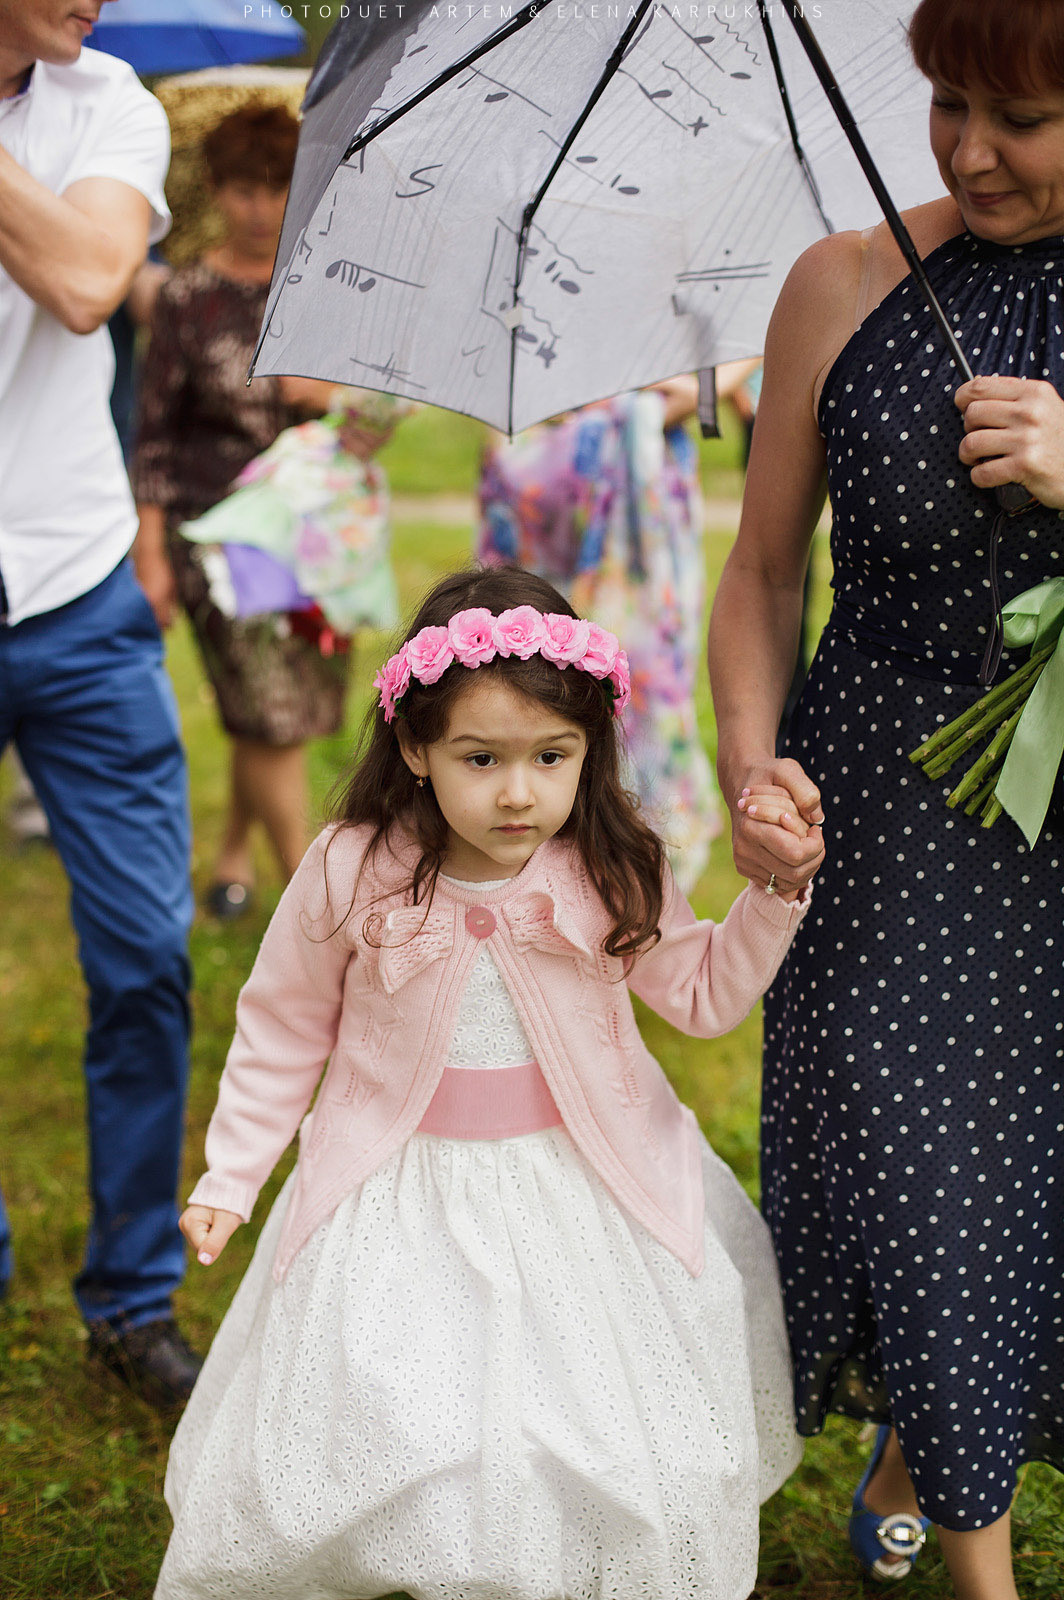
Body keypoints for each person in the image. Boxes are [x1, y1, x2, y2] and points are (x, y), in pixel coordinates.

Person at [154, 565, 810, 1600]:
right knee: (414, 1407)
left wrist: (773, 892)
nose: (518, 790)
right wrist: (231, 1177)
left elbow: (697, 994)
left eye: (551, 756)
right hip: (400, 1187)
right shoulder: (349, 867)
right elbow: (282, 1027)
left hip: (578, 1186)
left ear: (588, 747)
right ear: (414, 748)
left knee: (581, 1409)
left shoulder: (608, 862)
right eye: (481, 757)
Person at [707, 1, 1064, 1595]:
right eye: (944, 106)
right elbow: (760, 571)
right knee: (916, 1159)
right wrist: (743, 763)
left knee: (1021, 1167)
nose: (970, 152)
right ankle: (982, 1576)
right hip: (881, 801)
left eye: (1021, 121)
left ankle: (925, 1445)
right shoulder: (841, 283)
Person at [0, 0, 200, 1402]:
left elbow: (84, 280)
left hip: (77, 596)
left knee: (144, 957)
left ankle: (134, 1295)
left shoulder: (115, 102)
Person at [133, 104, 379, 919]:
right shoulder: (185, 297)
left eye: (276, 187)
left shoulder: (326, 290)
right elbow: (153, 434)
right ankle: (314, 907)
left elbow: (375, 429)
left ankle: (233, 855)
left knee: (281, 716)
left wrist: (335, 393)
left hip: (316, 538)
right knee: (270, 717)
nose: (259, 206)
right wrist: (152, 553)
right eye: (242, 188)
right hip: (221, 539)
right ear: (217, 191)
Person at [478, 377, 720, 894]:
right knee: (532, 665)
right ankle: (556, 839)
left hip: (622, 473)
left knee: (630, 683)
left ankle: (625, 847)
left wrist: (683, 393)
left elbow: (717, 367)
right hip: (542, 460)